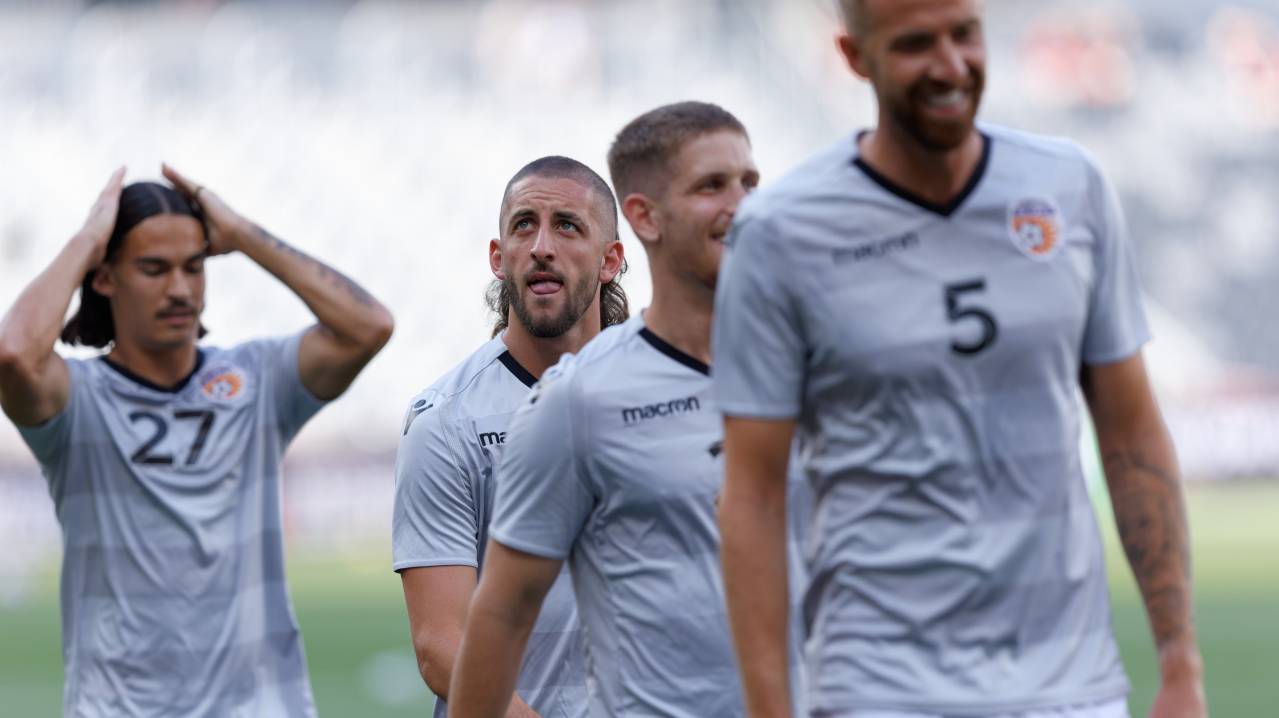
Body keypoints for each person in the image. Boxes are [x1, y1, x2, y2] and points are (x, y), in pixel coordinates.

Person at [712, 1, 1206, 717]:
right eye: (915, 44)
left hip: (1067, 686)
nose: (949, 66)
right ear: (854, 58)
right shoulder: (780, 232)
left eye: (964, 35)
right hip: (880, 687)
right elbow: (752, 495)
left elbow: (1131, 434)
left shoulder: (1070, 188)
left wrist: (1179, 663)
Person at [448, 101, 802, 718]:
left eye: (750, 183)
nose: (742, 205)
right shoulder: (580, 400)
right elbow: (500, 619)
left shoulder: (819, 365)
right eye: (711, 186)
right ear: (645, 217)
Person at [0, 165, 394, 716]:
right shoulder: (76, 401)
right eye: (154, 269)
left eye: (194, 267)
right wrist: (88, 241)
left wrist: (242, 235)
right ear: (106, 277)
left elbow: (369, 325)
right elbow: (14, 353)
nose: (181, 289)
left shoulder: (258, 381)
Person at [392, 155, 627, 718]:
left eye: (568, 225)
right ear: (499, 258)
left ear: (610, 260)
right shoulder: (446, 421)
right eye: (524, 225)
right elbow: (439, 645)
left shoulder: (661, 392)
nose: (542, 246)